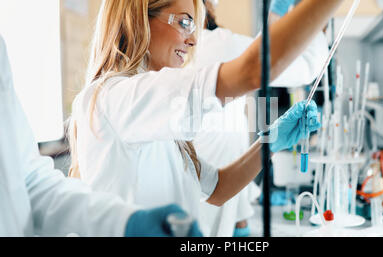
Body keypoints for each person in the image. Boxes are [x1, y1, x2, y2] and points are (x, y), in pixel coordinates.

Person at [68, 0, 342, 235]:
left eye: (195, 27)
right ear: (140, 18)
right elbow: (251, 71)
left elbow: (217, 188)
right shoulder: (118, 96)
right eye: (184, 23)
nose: (194, 39)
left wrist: (270, 142)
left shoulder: (154, 111)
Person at [0, 34, 200, 237]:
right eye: (184, 22)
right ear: (142, 26)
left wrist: (126, 223)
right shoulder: (113, 96)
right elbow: (206, 91)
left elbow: (30, 184)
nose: (193, 40)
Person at [192, 0, 329, 237]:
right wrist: (313, 13)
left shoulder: (211, 46)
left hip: (219, 185)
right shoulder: (215, 44)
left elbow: (263, 50)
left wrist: (241, 220)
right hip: (208, 192)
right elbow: (302, 65)